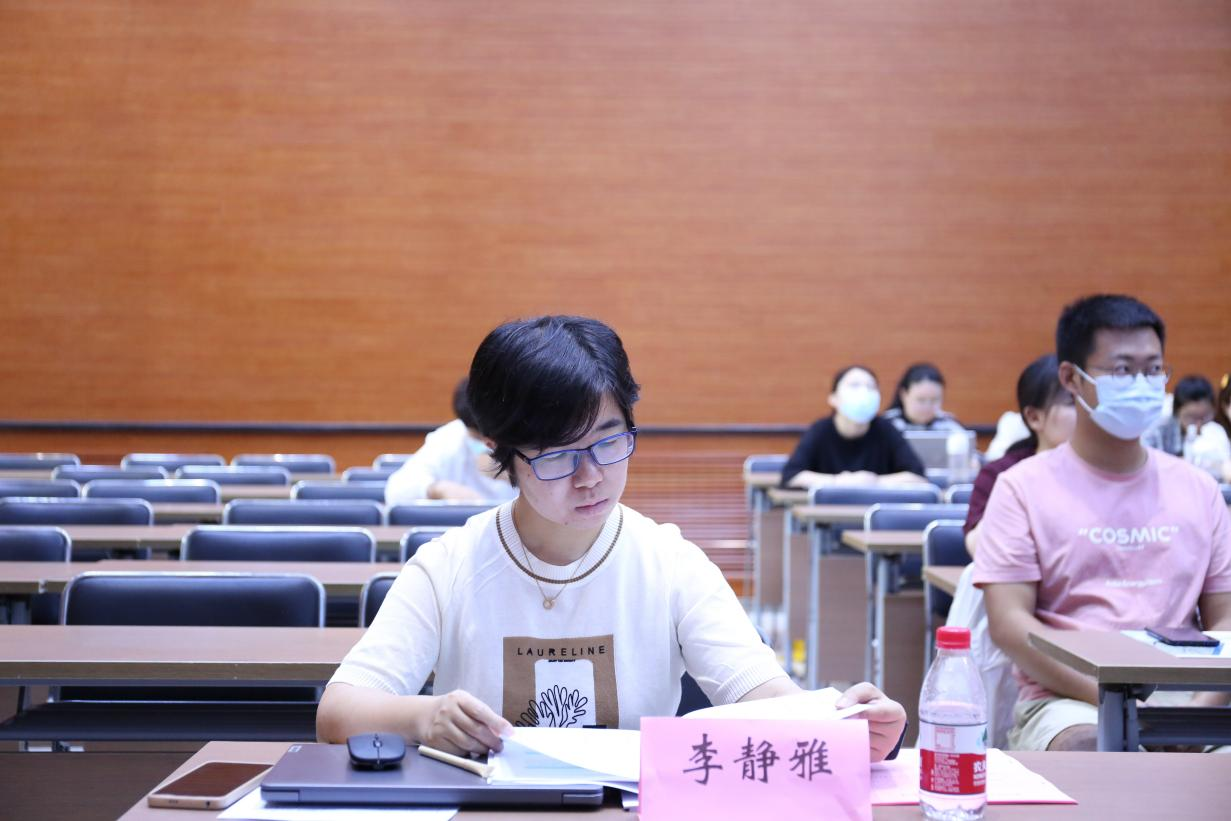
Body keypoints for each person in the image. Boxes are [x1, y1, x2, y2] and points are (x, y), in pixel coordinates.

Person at [320, 316, 906, 761]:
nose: (591, 475)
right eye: (558, 454)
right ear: (502, 454)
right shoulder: (449, 565)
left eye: (608, 440)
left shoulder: (671, 563)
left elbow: (761, 694)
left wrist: (842, 725)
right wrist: (424, 718)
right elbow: (339, 711)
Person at [974, 294, 1231, 752]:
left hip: (1188, 694)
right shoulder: (1021, 488)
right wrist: (1125, 706)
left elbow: (1225, 617)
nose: (1142, 384)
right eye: (1122, 369)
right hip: (1068, 698)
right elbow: (1009, 624)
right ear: (1072, 378)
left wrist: (1200, 707)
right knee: (1093, 749)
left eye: (1154, 369)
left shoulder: (1200, 489)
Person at [963, 355, 1075, 558]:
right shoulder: (1001, 474)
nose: (1089, 413)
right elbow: (980, 546)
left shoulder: (1112, 471)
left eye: (1092, 402)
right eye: (1072, 403)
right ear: (1034, 417)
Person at [781, 365, 927, 488]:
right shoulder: (820, 430)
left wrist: (875, 481)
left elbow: (917, 476)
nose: (863, 392)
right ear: (833, 398)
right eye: (854, 385)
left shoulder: (886, 429)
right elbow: (791, 476)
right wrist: (838, 481)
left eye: (870, 387)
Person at [384, 378, 518, 505]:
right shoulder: (449, 439)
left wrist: (514, 476)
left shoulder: (523, 436)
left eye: (491, 437)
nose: (485, 444)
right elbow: (395, 491)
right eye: (477, 437)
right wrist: (438, 489)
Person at [1141, 374, 1226, 458]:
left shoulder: (1216, 431)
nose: (1198, 424)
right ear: (1177, 411)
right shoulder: (1158, 430)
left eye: (1204, 417)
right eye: (1192, 417)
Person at [882, 363, 965, 433]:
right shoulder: (886, 425)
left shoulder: (950, 426)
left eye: (934, 400)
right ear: (904, 395)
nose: (927, 406)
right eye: (921, 400)